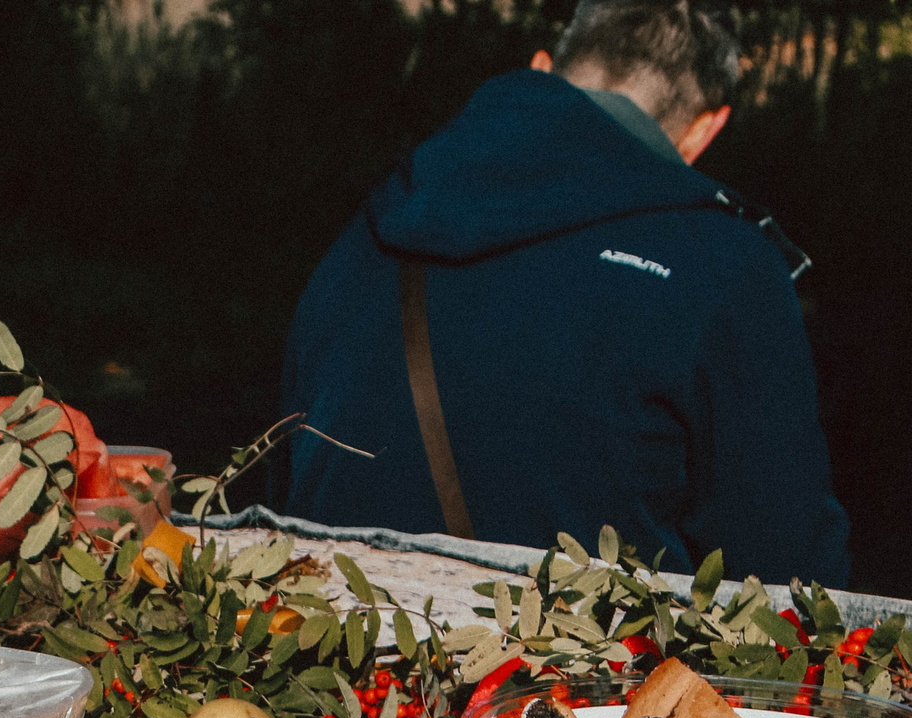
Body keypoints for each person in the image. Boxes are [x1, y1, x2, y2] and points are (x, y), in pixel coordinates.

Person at [279, 0, 849, 586]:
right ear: (706, 128)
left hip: (339, 660)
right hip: (580, 679)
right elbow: (789, 574)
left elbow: (285, 475)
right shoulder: (725, 265)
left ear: (542, 66)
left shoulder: (366, 235)